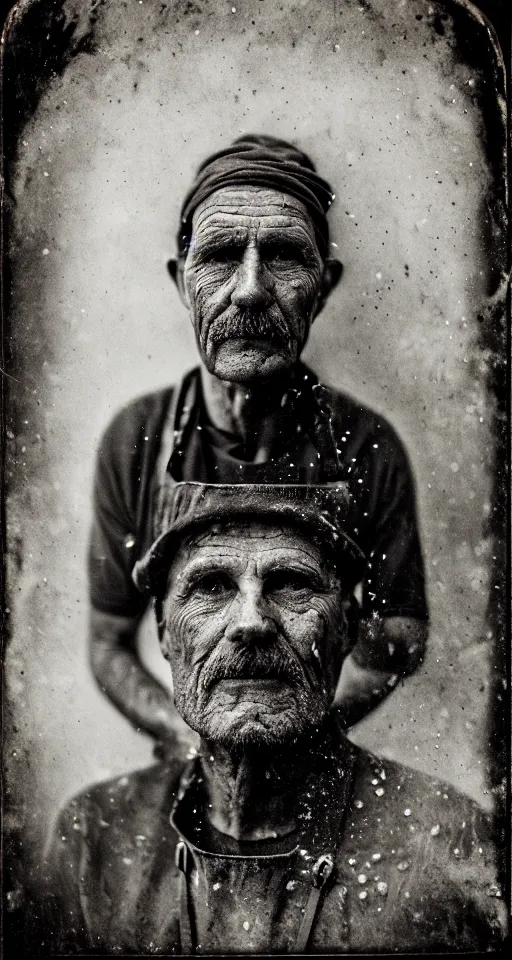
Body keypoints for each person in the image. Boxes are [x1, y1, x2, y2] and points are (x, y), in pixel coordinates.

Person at [44, 482, 504, 954]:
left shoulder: (451, 847)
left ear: (345, 624)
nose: (252, 622)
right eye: (212, 586)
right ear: (164, 628)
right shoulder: (92, 839)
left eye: (290, 582)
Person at [88, 134, 429, 750]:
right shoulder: (135, 441)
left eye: (282, 255)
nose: (249, 288)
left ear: (323, 287)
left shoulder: (366, 448)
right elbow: (108, 644)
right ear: (181, 281)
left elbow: (395, 643)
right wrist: (197, 738)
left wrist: (289, 733)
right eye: (221, 255)